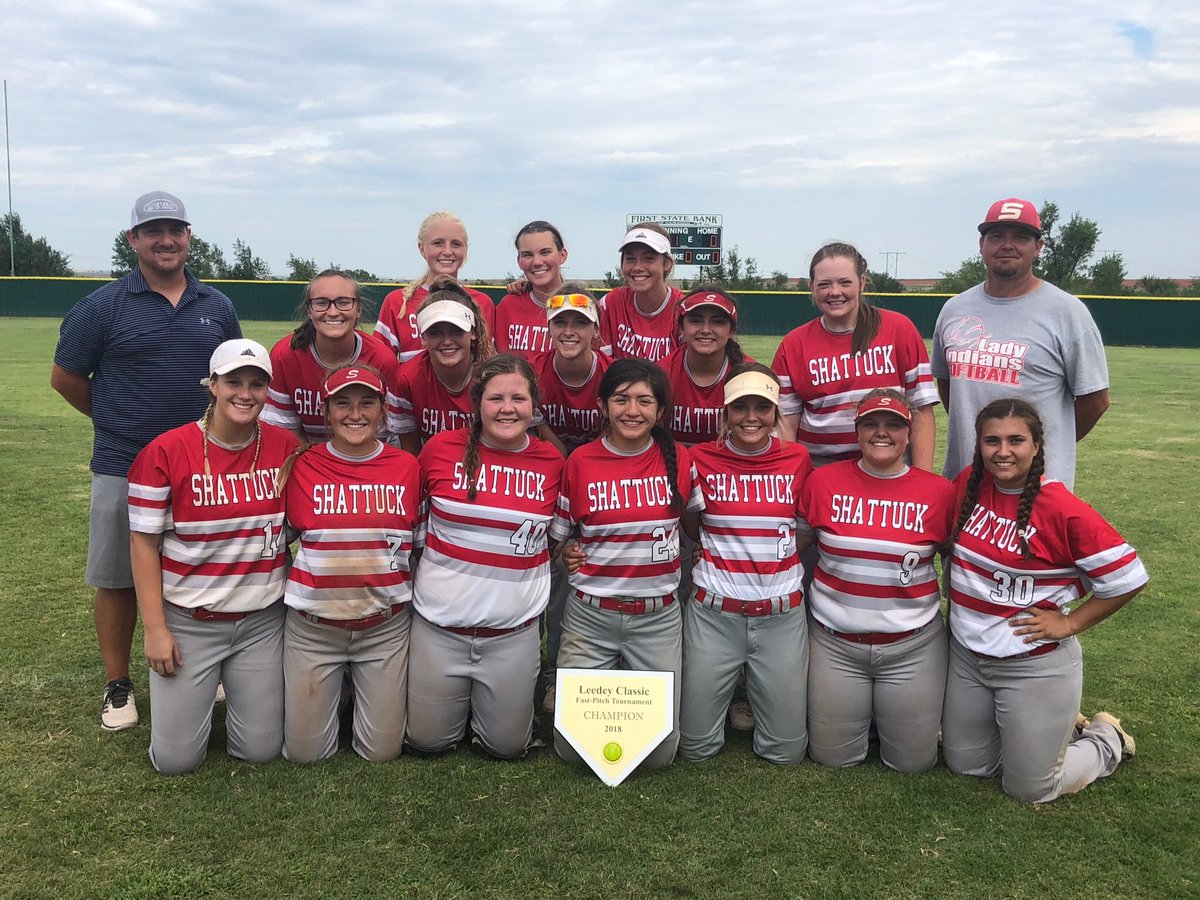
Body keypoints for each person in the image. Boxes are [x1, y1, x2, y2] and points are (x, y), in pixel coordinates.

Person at [51, 190, 241, 731]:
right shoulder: (102, 306)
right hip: (123, 461)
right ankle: (118, 684)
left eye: (175, 230)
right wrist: (114, 421)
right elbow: (65, 378)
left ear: (188, 237)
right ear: (133, 238)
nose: (166, 240)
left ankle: (206, 663)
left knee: (199, 565)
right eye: (153, 231)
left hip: (202, 463)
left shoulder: (216, 305)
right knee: (117, 577)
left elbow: (228, 382)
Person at [942, 398, 1148, 802]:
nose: (1003, 451)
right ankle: (1056, 727)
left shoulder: (1060, 508)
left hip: (1033, 665)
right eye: (992, 441)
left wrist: (1069, 624)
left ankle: (1106, 738)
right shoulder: (970, 481)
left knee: (1033, 788)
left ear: (1037, 446)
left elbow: (1129, 578)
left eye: (1016, 440)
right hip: (968, 658)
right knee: (968, 766)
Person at [128, 339, 296, 774]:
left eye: (256, 384)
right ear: (213, 385)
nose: (245, 393)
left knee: (259, 749)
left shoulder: (286, 448)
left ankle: (227, 683)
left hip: (262, 620)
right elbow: (144, 544)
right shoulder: (165, 451)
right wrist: (155, 630)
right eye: (234, 382)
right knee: (174, 761)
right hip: (190, 620)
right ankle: (204, 684)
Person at [407, 355, 565, 759]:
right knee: (429, 741)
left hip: (511, 633)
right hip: (440, 627)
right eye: (496, 398)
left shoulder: (552, 462)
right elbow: (417, 529)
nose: (507, 408)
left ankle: (491, 711)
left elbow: (559, 539)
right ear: (477, 404)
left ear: (534, 406)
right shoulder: (440, 450)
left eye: (518, 398)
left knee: (506, 747)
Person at [551, 358, 703, 771]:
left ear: (660, 411)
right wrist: (568, 554)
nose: (632, 411)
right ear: (602, 406)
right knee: (572, 751)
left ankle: (622, 690)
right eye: (620, 399)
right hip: (591, 615)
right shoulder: (580, 461)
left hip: (657, 617)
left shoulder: (681, 460)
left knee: (659, 754)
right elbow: (562, 535)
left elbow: (694, 526)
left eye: (644, 401)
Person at [797, 389, 957, 772]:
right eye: (871, 424)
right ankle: (866, 713)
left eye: (893, 425)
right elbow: (791, 548)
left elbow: (960, 558)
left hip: (912, 645)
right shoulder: (823, 482)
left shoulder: (939, 493)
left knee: (913, 764)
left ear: (909, 432)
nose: (881, 433)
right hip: (835, 643)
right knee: (832, 758)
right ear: (857, 431)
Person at [280, 366, 423, 763]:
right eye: (342, 403)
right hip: (314, 628)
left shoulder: (408, 467)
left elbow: (421, 545)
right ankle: (336, 689)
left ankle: (353, 688)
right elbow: (281, 537)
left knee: (382, 752)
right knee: (305, 754)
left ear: (383, 412)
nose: (354, 413)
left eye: (367, 403)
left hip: (384, 627)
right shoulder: (302, 466)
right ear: (326, 414)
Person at [679, 365, 813, 764]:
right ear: (725, 413)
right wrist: (710, 547)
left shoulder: (797, 457)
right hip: (715, 613)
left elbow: (802, 526)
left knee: (787, 751)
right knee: (694, 747)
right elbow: (691, 519)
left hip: (780, 615)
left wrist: (775, 554)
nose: (751, 417)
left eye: (762, 407)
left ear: (775, 412)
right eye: (740, 408)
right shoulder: (699, 457)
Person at [931, 198, 1110, 489]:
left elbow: (1096, 401)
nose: (1007, 245)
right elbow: (949, 387)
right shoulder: (954, 309)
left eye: (1021, 237)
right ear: (982, 245)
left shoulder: (1067, 311)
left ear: (1038, 247)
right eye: (997, 236)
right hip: (965, 481)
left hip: (1037, 486)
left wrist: (1039, 444)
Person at [771, 242, 938, 470]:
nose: (835, 292)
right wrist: (790, 478)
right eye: (824, 284)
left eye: (845, 282)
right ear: (812, 287)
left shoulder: (899, 329)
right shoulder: (794, 344)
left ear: (862, 283)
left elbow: (921, 411)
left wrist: (921, 479)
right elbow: (786, 426)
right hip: (821, 474)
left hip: (890, 470)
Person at [528, 285, 612, 712]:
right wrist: (572, 463)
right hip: (550, 486)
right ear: (548, 327)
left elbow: (620, 432)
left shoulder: (612, 373)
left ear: (596, 330)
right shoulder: (534, 372)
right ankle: (554, 673)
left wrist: (582, 466)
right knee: (557, 584)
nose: (569, 330)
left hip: (601, 486)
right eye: (560, 321)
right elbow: (539, 431)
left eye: (580, 321)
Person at [262, 269, 402, 445]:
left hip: (367, 457)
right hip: (307, 459)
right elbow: (286, 431)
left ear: (358, 309)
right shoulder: (285, 355)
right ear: (309, 310)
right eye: (321, 303)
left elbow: (384, 432)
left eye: (343, 302)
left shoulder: (381, 359)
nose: (333, 312)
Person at [373, 211, 496, 364]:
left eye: (456, 244)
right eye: (438, 243)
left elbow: (487, 362)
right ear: (421, 248)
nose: (447, 251)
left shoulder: (482, 303)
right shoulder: (398, 302)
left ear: (465, 250)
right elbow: (380, 364)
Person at [394, 278, 496, 454]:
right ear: (423, 338)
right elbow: (411, 452)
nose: (447, 341)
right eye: (435, 333)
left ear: (472, 332)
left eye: (456, 330)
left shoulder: (493, 376)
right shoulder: (408, 378)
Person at [658, 288, 749, 447]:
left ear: (731, 330)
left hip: (730, 467)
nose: (706, 330)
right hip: (673, 464)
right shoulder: (661, 373)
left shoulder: (749, 375)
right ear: (681, 327)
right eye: (696, 320)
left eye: (717, 322)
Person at [599, 224, 685, 362]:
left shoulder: (683, 310)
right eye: (630, 259)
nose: (638, 267)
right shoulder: (611, 303)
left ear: (666, 263)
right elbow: (602, 365)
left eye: (648, 258)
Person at [494, 221, 569, 360]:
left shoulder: (581, 307)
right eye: (528, 255)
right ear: (519, 261)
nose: (537, 262)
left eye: (545, 252)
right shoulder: (508, 307)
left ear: (562, 255)